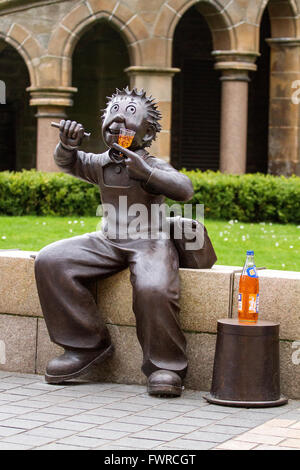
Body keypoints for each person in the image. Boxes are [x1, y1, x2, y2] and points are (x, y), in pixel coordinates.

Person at [34, 87, 194, 397]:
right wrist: (66, 146)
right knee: (51, 260)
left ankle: (166, 366)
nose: (120, 117)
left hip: (150, 241)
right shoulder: (100, 163)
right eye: (115, 111)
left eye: (131, 113)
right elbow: (70, 163)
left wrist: (145, 171)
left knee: (154, 287)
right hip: (108, 240)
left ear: (147, 134)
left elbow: (184, 189)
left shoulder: (150, 163)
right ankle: (86, 346)